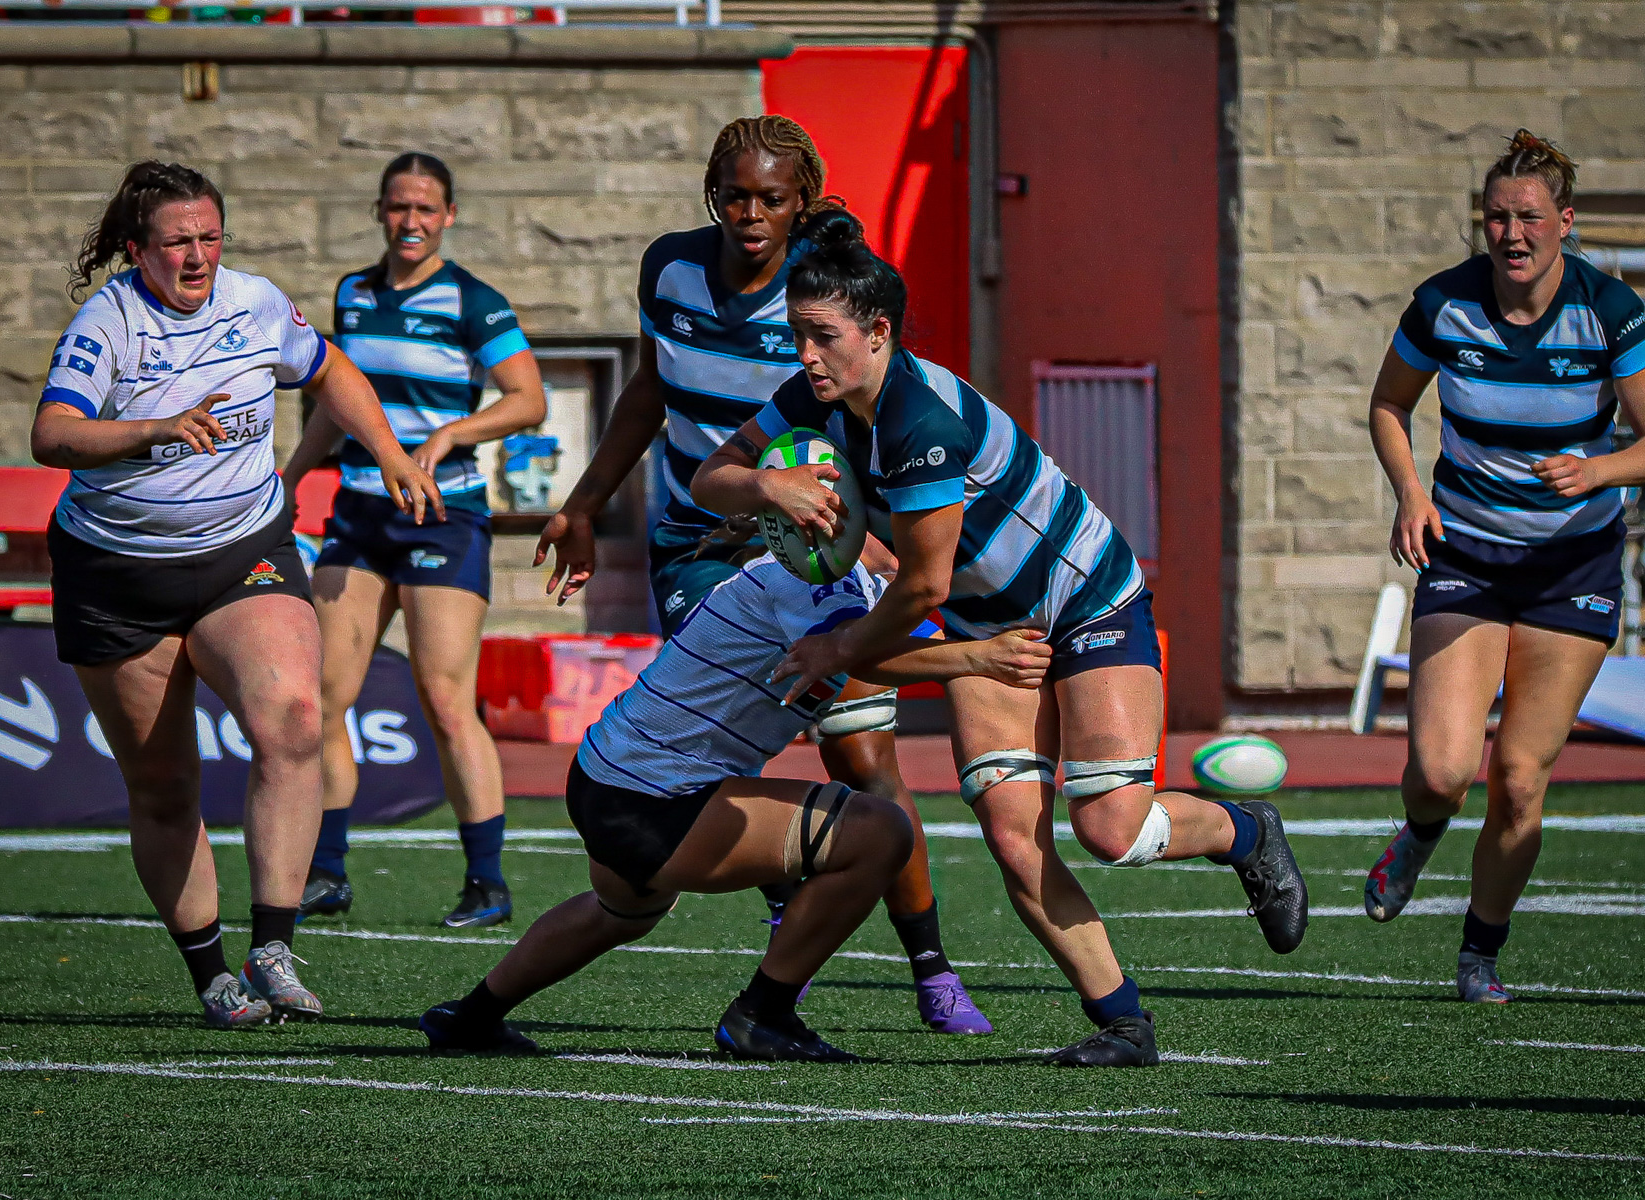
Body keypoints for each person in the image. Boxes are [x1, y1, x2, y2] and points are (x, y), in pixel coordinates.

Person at [693, 209, 1309, 1067]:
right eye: (795, 334)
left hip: (1089, 604)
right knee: (1015, 837)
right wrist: (768, 482)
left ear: (878, 332)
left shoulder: (922, 425)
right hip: (992, 629)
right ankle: (1124, 1024)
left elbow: (921, 586)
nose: (803, 356)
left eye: (821, 336)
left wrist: (840, 652)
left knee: (1111, 829)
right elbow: (706, 477)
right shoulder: (814, 396)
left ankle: (1245, 834)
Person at [530, 116, 988, 1032]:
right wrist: (582, 504)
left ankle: (932, 967)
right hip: (705, 541)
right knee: (730, 732)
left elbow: (877, 412)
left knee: (862, 756)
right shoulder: (671, 269)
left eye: (771, 199)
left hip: (820, 539)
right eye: (734, 195)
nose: (750, 213)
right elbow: (651, 390)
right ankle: (785, 936)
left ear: (801, 201)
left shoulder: (825, 292)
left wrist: (870, 536)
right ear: (712, 193)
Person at [30, 160, 443, 1028]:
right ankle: (213, 975)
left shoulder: (255, 302)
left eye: (210, 237)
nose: (197, 256)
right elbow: (53, 434)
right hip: (117, 575)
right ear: (137, 249)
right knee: (166, 788)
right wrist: (152, 431)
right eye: (177, 241)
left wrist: (394, 454)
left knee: (293, 718)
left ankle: (275, 945)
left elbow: (330, 369)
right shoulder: (107, 323)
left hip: (241, 551)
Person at [419, 554, 1051, 1060]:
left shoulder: (835, 576)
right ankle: (763, 1015)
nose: (933, 539)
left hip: (611, 777)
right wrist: (977, 658)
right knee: (878, 831)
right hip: (653, 796)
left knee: (621, 910)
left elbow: (907, 624)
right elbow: (854, 652)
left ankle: (471, 1016)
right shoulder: (816, 578)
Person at [1361, 131, 1645, 1002]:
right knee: (1440, 772)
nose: (1512, 231)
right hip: (1464, 552)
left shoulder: (1608, 310)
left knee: (1517, 780)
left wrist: (1600, 469)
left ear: (1564, 223)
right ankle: (1420, 834)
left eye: (1529, 216)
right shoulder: (1444, 305)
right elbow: (1389, 405)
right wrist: (1409, 493)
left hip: (1570, 565)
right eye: (1497, 216)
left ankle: (1479, 954)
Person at [283, 152, 546, 930]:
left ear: (449, 217)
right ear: (379, 211)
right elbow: (336, 402)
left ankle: (487, 883)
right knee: (324, 697)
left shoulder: (474, 300)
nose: (411, 221)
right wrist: (293, 476)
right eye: (399, 207)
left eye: (426, 209)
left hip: (443, 512)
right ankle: (326, 871)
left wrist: (456, 431)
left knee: (443, 699)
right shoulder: (353, 295)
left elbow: (527, 399)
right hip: (360, 512)